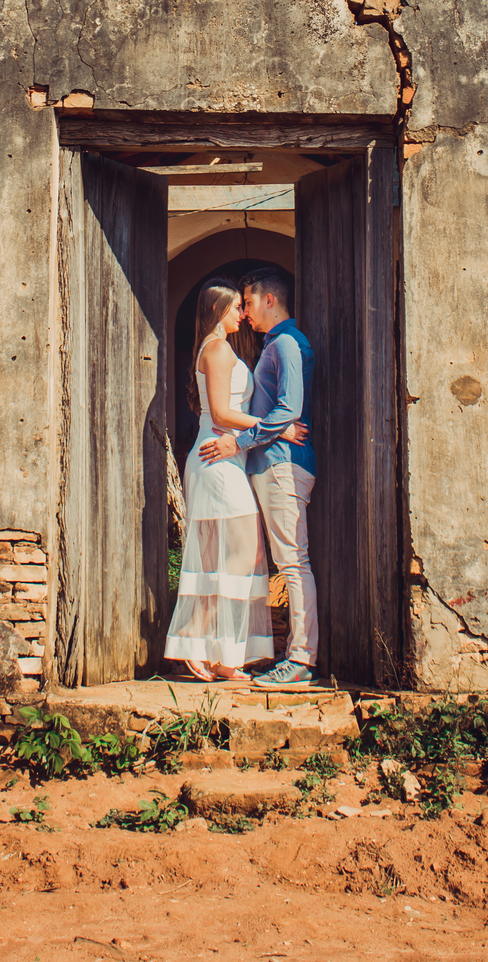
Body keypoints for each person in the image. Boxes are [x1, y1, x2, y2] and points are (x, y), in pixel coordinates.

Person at [199, 265, 317, 686]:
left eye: (248, 302)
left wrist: (239, 442)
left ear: (270, 300)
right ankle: (282, 656)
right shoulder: (274, 344)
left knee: (292, 562)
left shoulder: (285, 343)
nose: (244, 311)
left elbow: (289, 410)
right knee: (282, 560)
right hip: (270, 463)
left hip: (282, 462)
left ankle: (300, 661)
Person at [163, 280, 274, 682]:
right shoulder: (219, 349)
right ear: (217, 312)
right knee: (240, 553)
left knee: (228, 558)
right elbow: (224, 414)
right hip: (216, 460)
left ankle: (219, 654)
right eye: (234, 309)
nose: (241, 314)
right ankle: (200, 641)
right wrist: (274, 426)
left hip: (223, 459)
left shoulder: (216, 349)